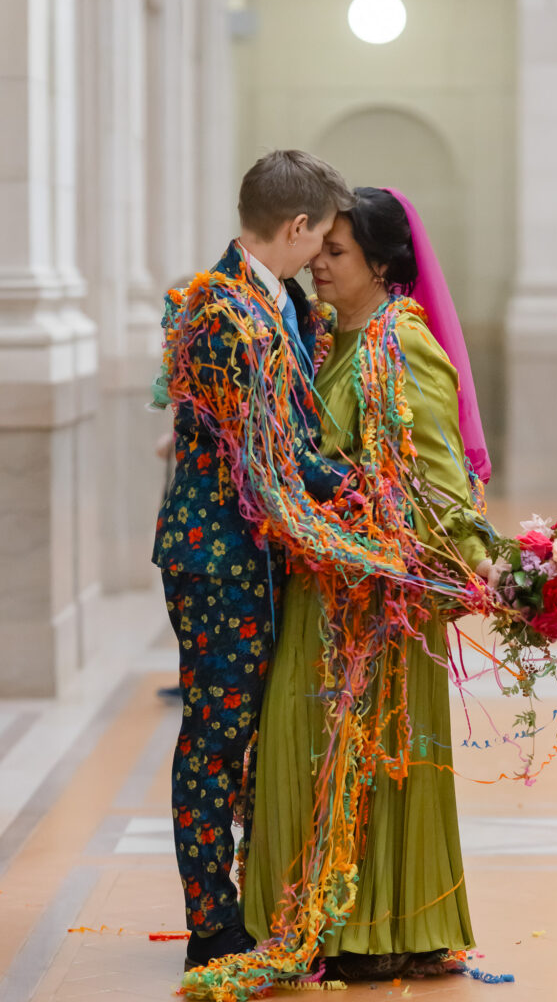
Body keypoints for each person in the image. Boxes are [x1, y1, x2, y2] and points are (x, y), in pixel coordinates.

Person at [241, 188, 493, 981]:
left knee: (381, 756)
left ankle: (387, 931)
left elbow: (435, 476)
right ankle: (318, 920)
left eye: (337, 251)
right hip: (320, 590)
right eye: (318, 245)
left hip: (381, 602)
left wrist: (474, 559)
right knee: (298, 742)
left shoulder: (402, 341)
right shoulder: (322, 338)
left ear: (382, 265)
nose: (317, 260)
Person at [151, 150, 356, 971]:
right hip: (216, 556)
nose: (323, 257)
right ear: (297, 226)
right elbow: (270, 452)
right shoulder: (218, 312)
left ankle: (259, 894)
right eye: (322, 239)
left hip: (259, 553)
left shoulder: (278, 302)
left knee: (255, 732)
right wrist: (371, 490)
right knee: (215, 736)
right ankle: (210, 925)